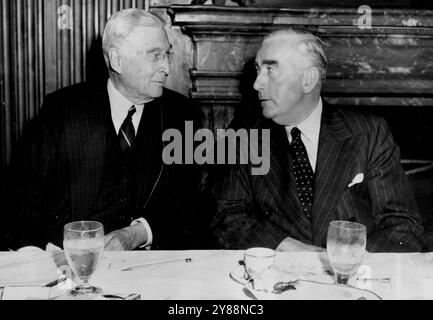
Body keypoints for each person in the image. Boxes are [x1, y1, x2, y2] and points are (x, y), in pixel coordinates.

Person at [211, 28, 425, 252]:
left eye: (270, 69)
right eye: (258, 69)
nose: (257, 83)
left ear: (308, 80)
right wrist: (296, 252)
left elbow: (403, 225)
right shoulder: (246, 136)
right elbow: (228, 217)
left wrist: (346, 263)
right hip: (279, 275)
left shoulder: (369, 132)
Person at [5, 9, 202, 251]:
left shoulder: (182, 116)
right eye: (155, 56)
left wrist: (137, 234)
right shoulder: (62, 111)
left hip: (148, 269)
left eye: (167, 55)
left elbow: (192, 204)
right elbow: (23, 203)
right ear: (116, 59)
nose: (167, 68)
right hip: (70, 265)